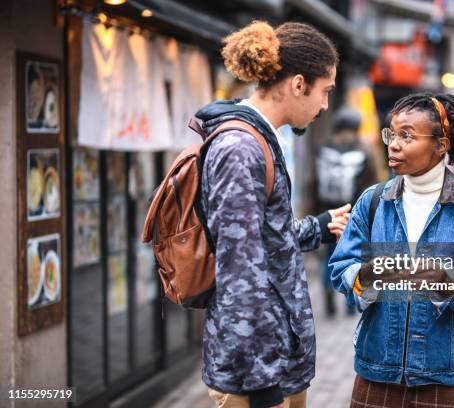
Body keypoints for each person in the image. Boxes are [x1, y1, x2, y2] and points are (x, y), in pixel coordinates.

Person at [195, 21, 351, 408]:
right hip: (257, 375)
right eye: (325, 92)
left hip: (278, 358)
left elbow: (263, 238)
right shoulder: (240, 148)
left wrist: (318, 227)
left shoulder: (260, 137)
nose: (325, 106)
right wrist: (262, 386)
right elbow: (238, 271)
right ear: (299, 84)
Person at [329, 93, 454, 408]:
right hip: (377, 373)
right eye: (391, 133)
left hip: (445, 378)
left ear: (441, 144)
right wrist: (369, 276)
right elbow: (342, 268)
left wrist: (445, 281)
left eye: (407, 135)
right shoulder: (373, 202)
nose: (394, 144)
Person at [314, 107, 378, 317]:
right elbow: (370, 186)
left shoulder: (323, 150)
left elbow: (315, 184)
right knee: (354, 258)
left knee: (329, 258)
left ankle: (328, 297)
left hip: (329, 214)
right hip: (353, 214)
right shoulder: (363, 153)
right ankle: (351, 304)